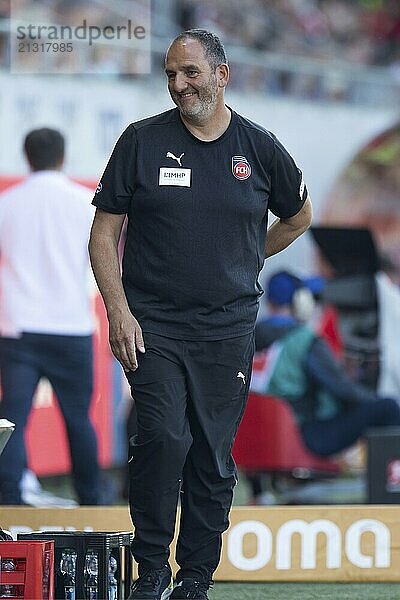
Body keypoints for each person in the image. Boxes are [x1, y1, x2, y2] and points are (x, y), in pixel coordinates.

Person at [89, 29, 312, 600]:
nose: (178, 85)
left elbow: (299, 215)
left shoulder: (260, 148)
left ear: (221, 74)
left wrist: (245, 259)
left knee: (212, 455)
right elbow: (105, 229)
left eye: (189, 73)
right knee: (162, 436)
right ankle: (152, 569)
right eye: (170, 74)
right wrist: (117, 309)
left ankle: (194, 579)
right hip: (152, 324)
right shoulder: (141, 141)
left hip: (227, 328)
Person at [0, 128, 101, 506]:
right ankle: (93, 505)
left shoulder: (6, 204)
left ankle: (8, 503)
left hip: (18, 328)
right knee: (78, 420)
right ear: (63, 156)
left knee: (13, 420)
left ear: (27, 157)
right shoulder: (84, 202)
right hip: (72, 327)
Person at [251, 270, 400, 459]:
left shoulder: (247, 339)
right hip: (307, 437)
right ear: (301, 302)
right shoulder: (306, 341)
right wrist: (374, 398)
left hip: (257, 439)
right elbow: (344, 391)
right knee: (388, 408)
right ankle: (391, 484)